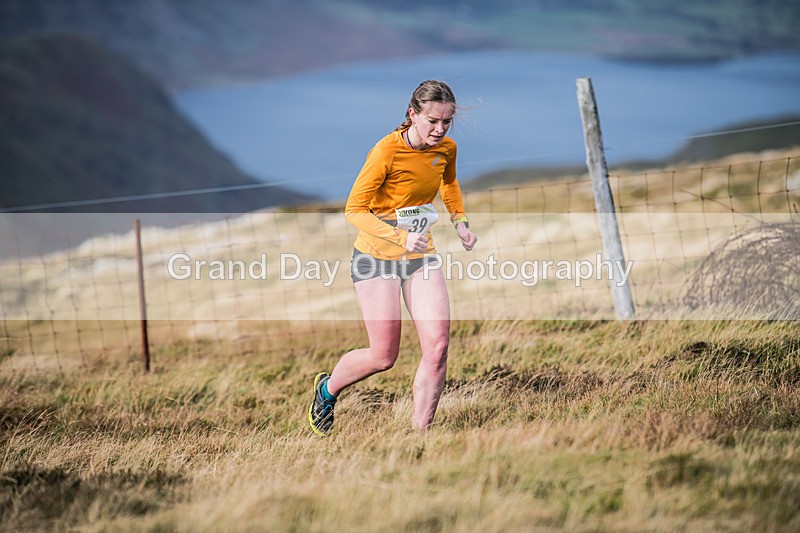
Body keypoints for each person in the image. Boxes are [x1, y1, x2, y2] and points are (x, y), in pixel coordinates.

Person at [308, 80, 478, 436]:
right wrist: (401, 236)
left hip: (421, 258)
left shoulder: (446, 148)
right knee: (383, 357)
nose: (439, 129)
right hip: (376, 259)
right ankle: (327, 390)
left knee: (438, 347)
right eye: (432, 120)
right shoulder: (386, 151)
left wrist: (460, 222)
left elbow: (449, 184)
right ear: (412, 114)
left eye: (447, 122)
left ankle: (420, 437)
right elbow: (354, 210)